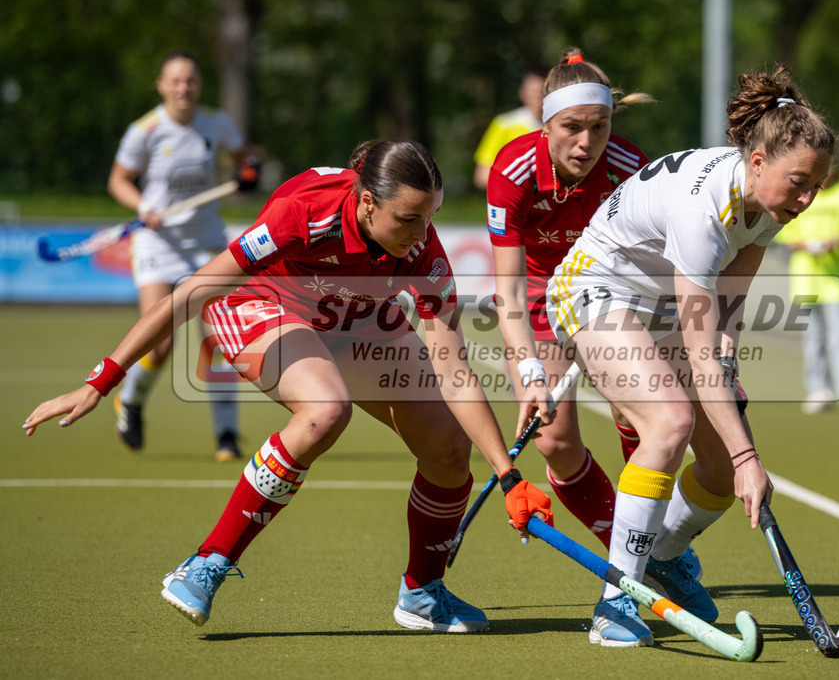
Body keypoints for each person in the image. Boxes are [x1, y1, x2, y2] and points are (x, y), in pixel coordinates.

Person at [24, 139, 554, 634]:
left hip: (358, 317)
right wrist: (103, 378)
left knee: (448, 446)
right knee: (326, 410)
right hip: (264, 304)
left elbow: (453, 367)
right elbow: (194, 291)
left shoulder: (424, 255)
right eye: (410, 219)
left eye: (431, 218)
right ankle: (208, 561)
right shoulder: (306, 211)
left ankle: (422, 593)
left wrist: (507, 475)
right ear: (368, 202)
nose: (423, 234)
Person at [547, 66, 836, 646]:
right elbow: (700, 358)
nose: (806, 200)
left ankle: (662, 554)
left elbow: (725, 315)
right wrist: (751, 452)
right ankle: (616, 603)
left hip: (656, 304)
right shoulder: (705, 212)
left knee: (719, 468)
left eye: (815, 187)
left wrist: (729, 380)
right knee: (671, 420)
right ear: (758, 162)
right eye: (798, 183)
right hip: (594, 288)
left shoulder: (767, 205)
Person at [487, 47, 705, 584]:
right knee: (553, 442)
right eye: (572, 127)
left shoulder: (631, 166)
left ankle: (644, 551)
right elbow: (508, 290)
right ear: (546, 123)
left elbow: (662, 257)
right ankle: (630, 551)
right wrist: (532, 373)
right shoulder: (512, 170)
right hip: (539, 295)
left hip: (615, 290)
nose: (587, 143)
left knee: (641, 417)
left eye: (600, 126)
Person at [107, 49, 261, 462]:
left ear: (199, 85)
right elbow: (119, 180)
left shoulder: (217, 123)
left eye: (190, 80)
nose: (183, 88)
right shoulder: (146, 131)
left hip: (207, 243)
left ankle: (227, 435)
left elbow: (245, 160)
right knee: (159, 343)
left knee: (222, 339)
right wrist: (142, 207)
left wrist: (247, 173)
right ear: (161, 85)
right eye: (175, 81)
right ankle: (132, 401)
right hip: (159, 244)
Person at [775, 169, 839, 415]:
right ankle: (818, 389)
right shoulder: (800, 195)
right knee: (813, 338)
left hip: (836, 280)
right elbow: (785, 235)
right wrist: (807, 245)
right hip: (805, 279)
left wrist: (833, 243)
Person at [472, 70, 545, 190]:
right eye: (534, 92)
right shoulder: (504, 124)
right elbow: (482, 177)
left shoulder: (560, 128)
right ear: (522, 93)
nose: (538, 96)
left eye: (542, 92)